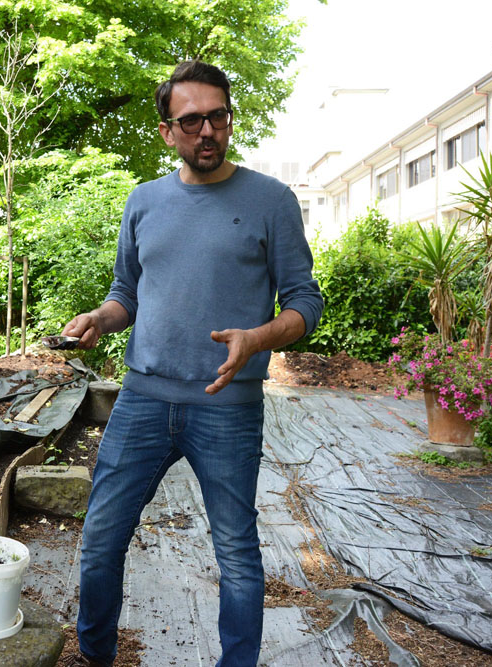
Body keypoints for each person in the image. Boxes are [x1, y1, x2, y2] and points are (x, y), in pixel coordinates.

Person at [60, 60, 324, 667]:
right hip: (142, 400)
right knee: (100, 539)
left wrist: (257, 338)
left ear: (229, 119)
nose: (207, 130)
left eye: (217, 116)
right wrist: (99, 318)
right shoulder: (144, 201)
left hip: (226, 407)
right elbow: (126, 293)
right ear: (167, 131)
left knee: (236, 553)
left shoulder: (272, 200)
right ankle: (94, 654)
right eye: (191, 120)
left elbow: (305, 303)